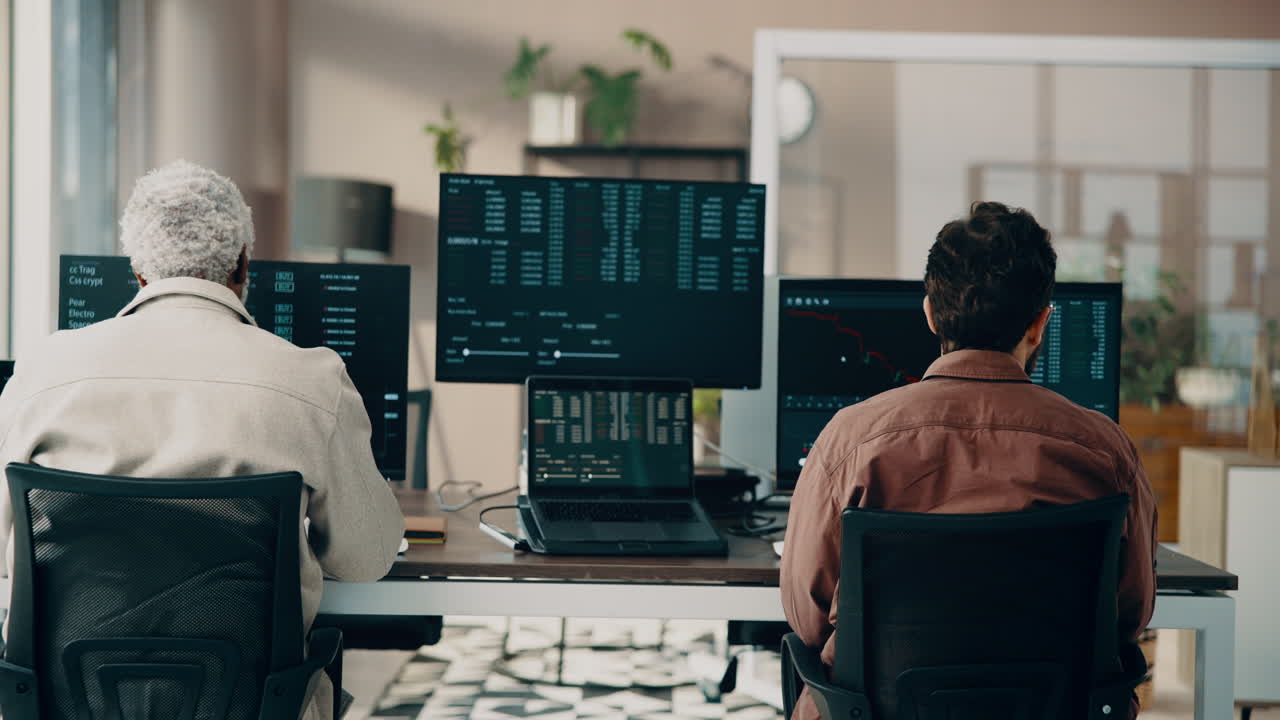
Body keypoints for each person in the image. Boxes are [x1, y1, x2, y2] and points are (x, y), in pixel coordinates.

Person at [0, 160, 404, 720]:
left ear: (138, 270)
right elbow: (368, 559)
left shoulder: (40, 375)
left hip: (68, 704)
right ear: (243, 263)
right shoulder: (312, 380)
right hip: (256, 706)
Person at [781, 201, 1156, 720]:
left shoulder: (851, 441)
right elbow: (1128, 617)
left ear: (931, 313)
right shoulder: (1105, 451)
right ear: (1040, 323)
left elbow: (807, 617)